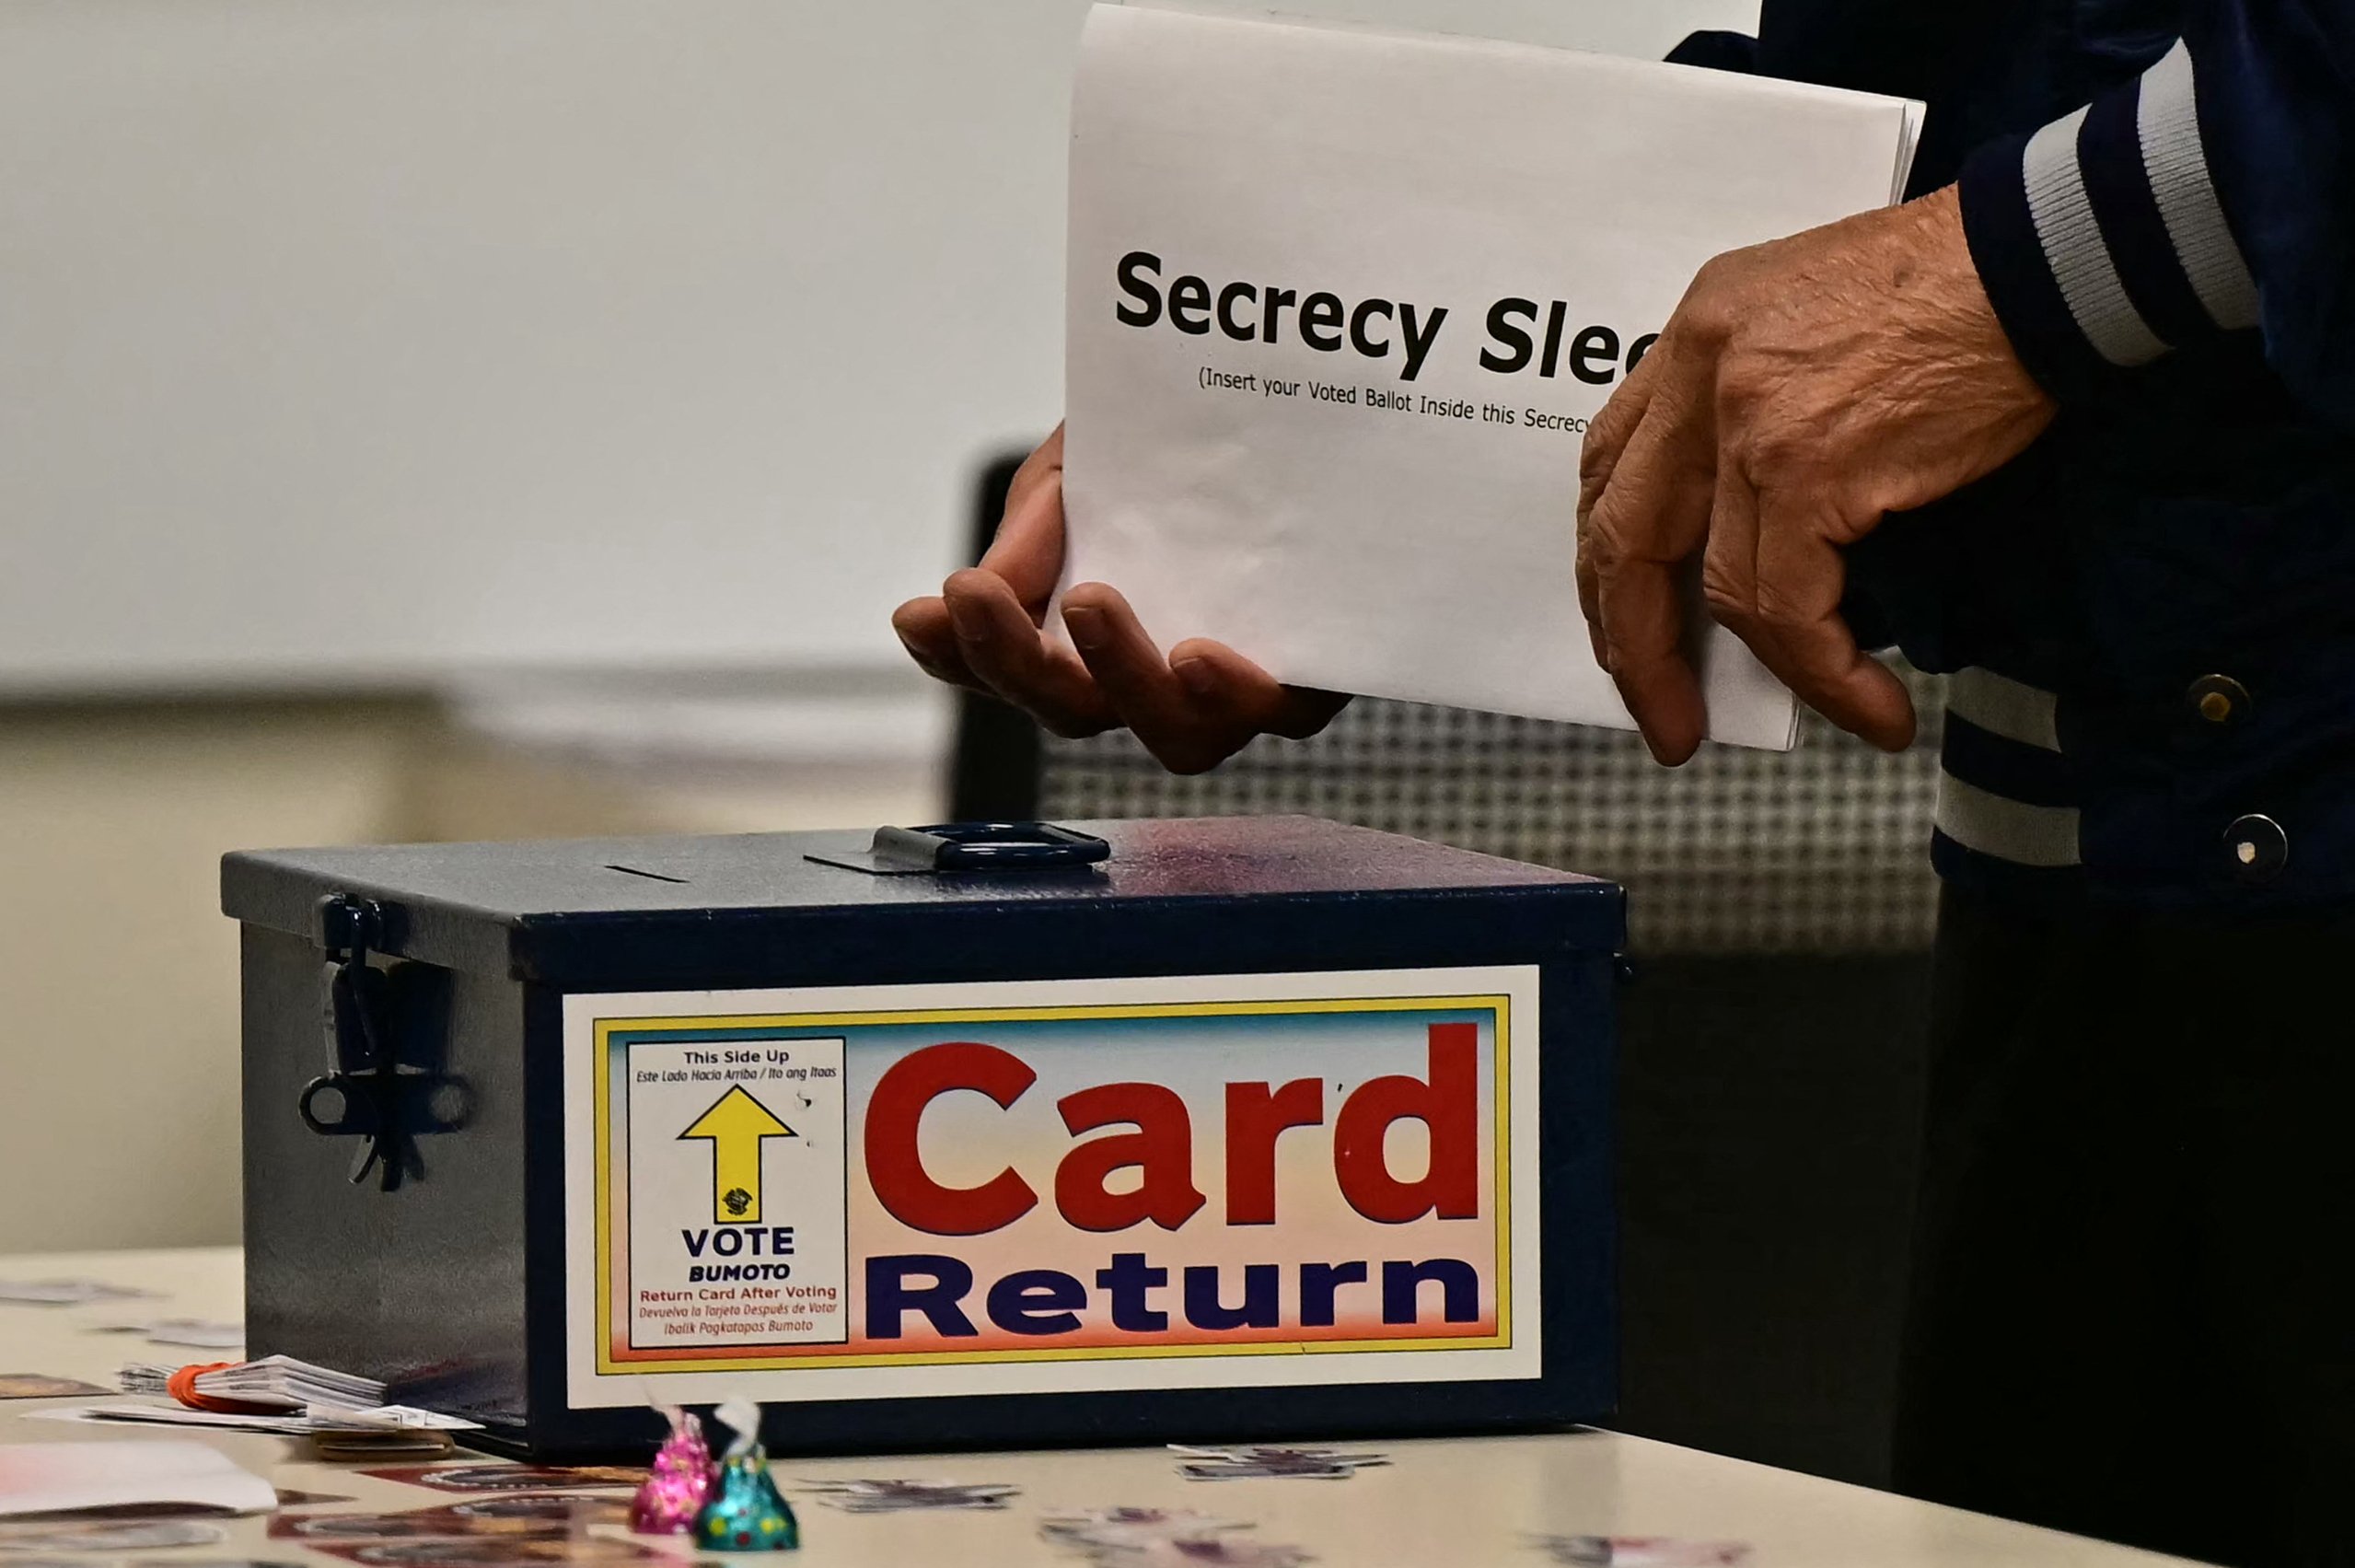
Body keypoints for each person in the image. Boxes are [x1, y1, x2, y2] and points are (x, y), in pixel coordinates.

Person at [894, 5, 2354, 1563]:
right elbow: (1985, 88)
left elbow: (1999, 250)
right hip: (2089, 902)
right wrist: (1315, 442)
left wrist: (2024, 262)